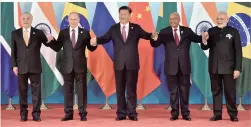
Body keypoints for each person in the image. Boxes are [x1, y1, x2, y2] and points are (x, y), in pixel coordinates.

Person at [90, 6, 157, 121]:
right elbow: (105, 38)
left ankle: (132, 113)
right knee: (120, 90)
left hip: (132, 64)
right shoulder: (114, 28)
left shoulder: (135, 28)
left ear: (130, 15)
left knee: (131, 89)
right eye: (121, 14)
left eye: (125, 14)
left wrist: (153, 36)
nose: (122, 16)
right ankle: (121, 113)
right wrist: (96, 40)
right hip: (119, 64)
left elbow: (146, 35)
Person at [150, 12, 205, 121]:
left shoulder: (187, 31)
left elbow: (197, 39)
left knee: (185, 91)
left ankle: (185, 114)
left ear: (179, 19)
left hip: (184, 67)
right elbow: (155, 44)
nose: (172, 20)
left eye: (174, 18)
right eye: (170, 19)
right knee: (173, 92)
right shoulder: (164, 32)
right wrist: (154, 38)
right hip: (171, 67)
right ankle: (174, 113)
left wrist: (203, 37)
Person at [50, 12, 97, 121]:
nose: (73, 21)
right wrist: (50, 41)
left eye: (75, 19)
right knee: (68, 91)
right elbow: (57, 47)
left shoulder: (85, 33)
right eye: (71, 19)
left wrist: (95, 43)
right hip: (67, 66)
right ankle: (68, 114)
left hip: (80, 66)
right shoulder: (63, 33)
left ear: (78, 20)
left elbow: (90, 48)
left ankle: (82, 113)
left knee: (81, 91)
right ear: (68, 20)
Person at [11, 12, 54, 122]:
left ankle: (36, 114)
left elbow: (47, 43)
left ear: (31, 20)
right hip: (21, 67)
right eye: (24, 18)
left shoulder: (38, 32)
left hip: (35, 66)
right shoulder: (15, 33)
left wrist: (50, 39)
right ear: (21, 20)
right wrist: (14, 66)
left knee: (36, 92)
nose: (26, 20)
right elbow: (13, 51)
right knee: (22, 92)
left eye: (28, 18)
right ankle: (23, 114)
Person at [201, 12, 242, 122]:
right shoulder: (211, 31)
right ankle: (217, 114)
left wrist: (237, 68)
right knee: (216, 92)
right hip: (214, 67)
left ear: (227, 19)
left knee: (230, 92)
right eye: (218, 18)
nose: (219, 20)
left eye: (222, 18)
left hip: (229, 68)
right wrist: (204, 40)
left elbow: (238, 51)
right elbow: (205, 47)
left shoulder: (234, 32)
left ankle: (233, 114)